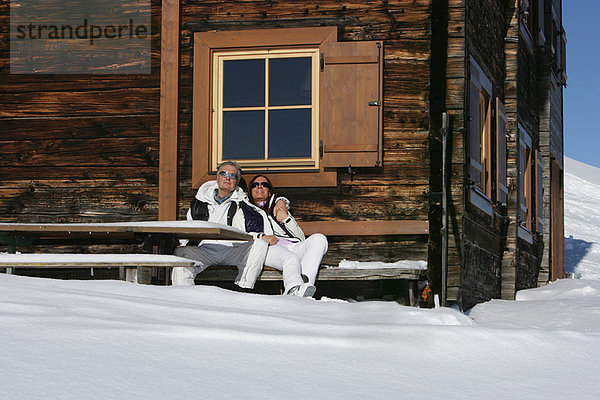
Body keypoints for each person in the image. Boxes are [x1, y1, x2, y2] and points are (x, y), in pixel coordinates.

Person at [172, 161, 316, 297]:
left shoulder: (243, 204)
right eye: (224, 174)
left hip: (232, 250)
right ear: (217, 177)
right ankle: (185, 296)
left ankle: (242, 288)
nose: (228, 178)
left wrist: (282, 206)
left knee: (260, 244)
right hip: (205, 250)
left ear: (237, 181)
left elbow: (251, 227)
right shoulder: (200, 202)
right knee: (181, 253)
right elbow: (190, 225)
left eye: (233, 176)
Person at [247, 174, 328, 286]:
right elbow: (241, 234)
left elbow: (300, 238)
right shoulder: (245, 210)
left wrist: (286, 218)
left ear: (269, 192)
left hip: (293, 246)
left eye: (264, 185)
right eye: (255, 185)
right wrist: (261, 237)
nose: (259, 187)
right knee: (290, 258)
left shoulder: (278, 208)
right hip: (268, 248)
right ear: (250, 191)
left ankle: (304, 286)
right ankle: (298, 289)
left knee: (319, 238)